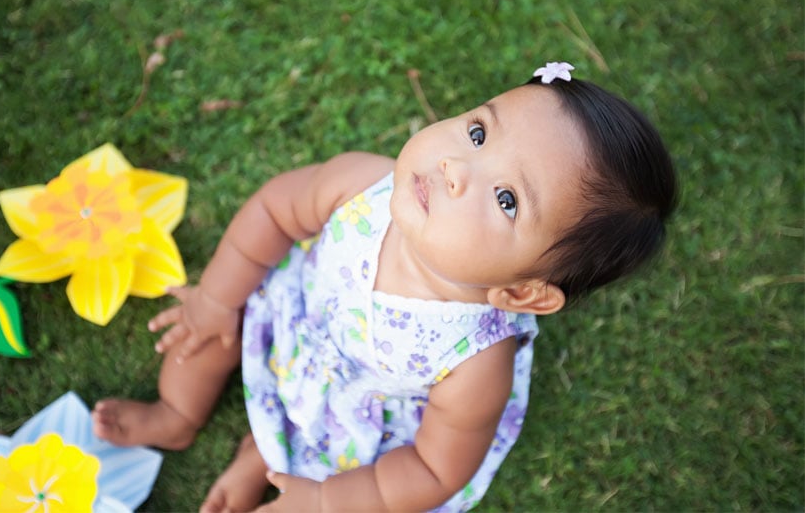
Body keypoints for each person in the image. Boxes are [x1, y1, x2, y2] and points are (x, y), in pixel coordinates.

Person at [92, 62, 677, 512]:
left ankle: (262, 455)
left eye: (506, 199)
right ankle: (175, 414)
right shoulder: (361, 186)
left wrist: (326, 503)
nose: (454, 166)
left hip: (359, 405)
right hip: (295, 318)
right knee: (206, 337)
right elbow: (275, 212)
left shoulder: (474, 366)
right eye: (478, 132)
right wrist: (219, 299)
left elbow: (432, 468)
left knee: (345, 484)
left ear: (524, 293)